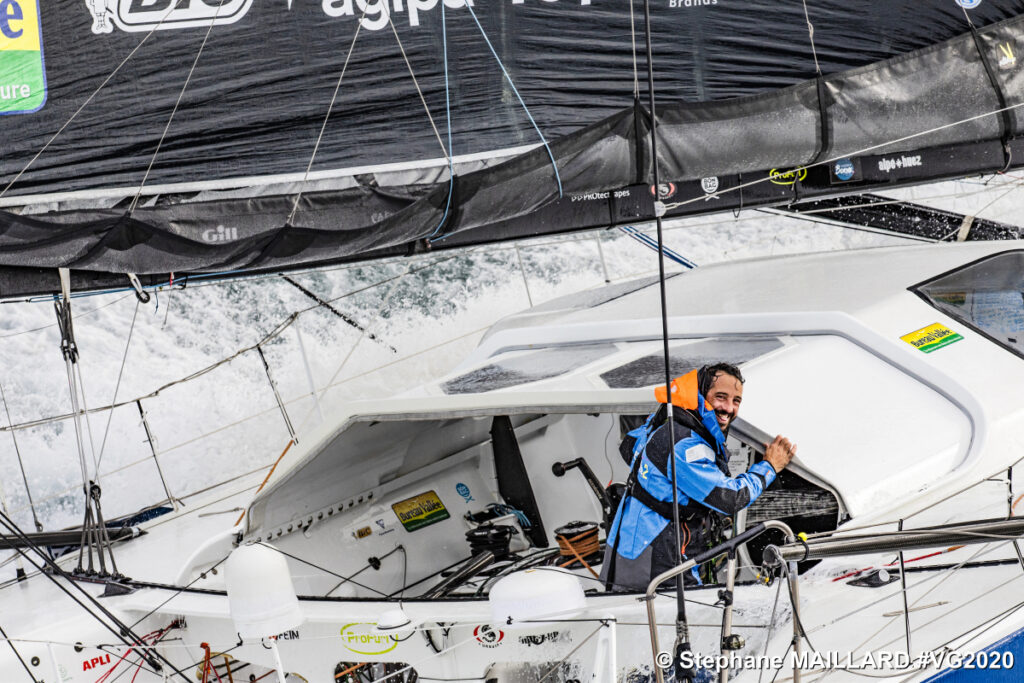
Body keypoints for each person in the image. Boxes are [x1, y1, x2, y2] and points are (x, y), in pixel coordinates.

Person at [601, 363, 796, 591]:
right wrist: (770, 465)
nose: (728, 408)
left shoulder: (666, 421)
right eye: (720, 397)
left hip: (628, 547)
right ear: (701, 395)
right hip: (657, 559)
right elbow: (731, 498)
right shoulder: (683, 446)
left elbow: (629, 445)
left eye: (736, 401)